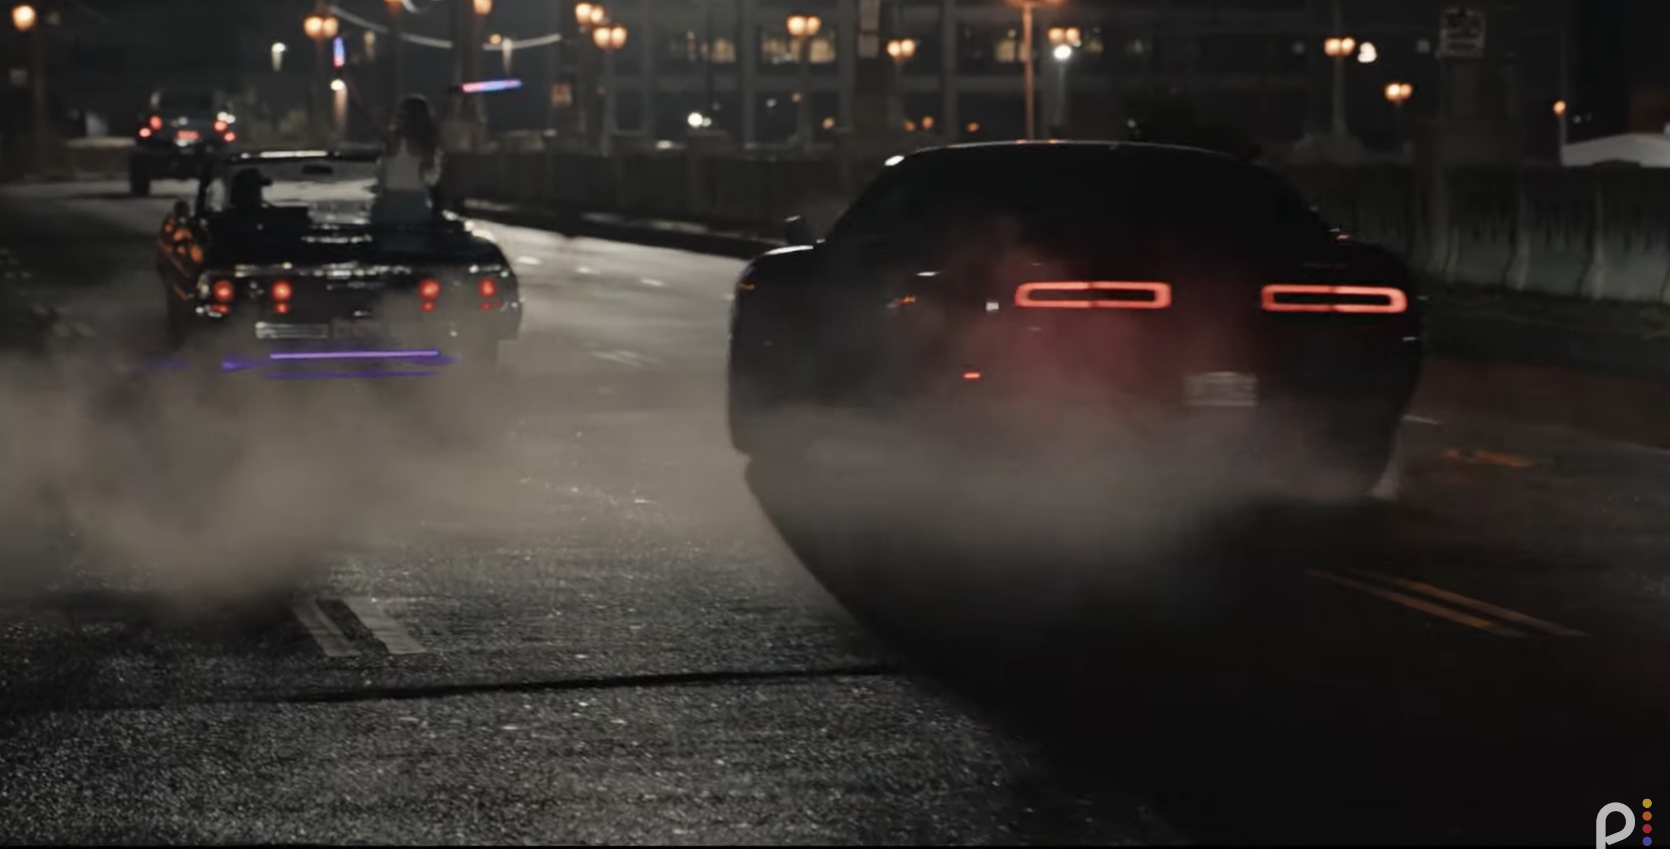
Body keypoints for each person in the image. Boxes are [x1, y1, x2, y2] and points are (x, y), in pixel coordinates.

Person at [372, 95, 444, 227]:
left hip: (390, 205)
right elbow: (432, 180)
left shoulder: (393, 141)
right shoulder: (429, 147)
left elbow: (371, 120)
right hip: (417, 205)